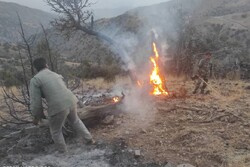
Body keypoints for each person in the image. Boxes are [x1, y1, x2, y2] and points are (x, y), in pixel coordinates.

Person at [29, 57, 94, 153]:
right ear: (46, 65)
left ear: (36, 68)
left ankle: (63, 153)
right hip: (71, 101)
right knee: (76, 121)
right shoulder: (56, 75)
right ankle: (89, 140)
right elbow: (64, 89)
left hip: (58, 106)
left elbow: (36, 102)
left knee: (55, 131)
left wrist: (36, 117)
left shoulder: (35, 80)